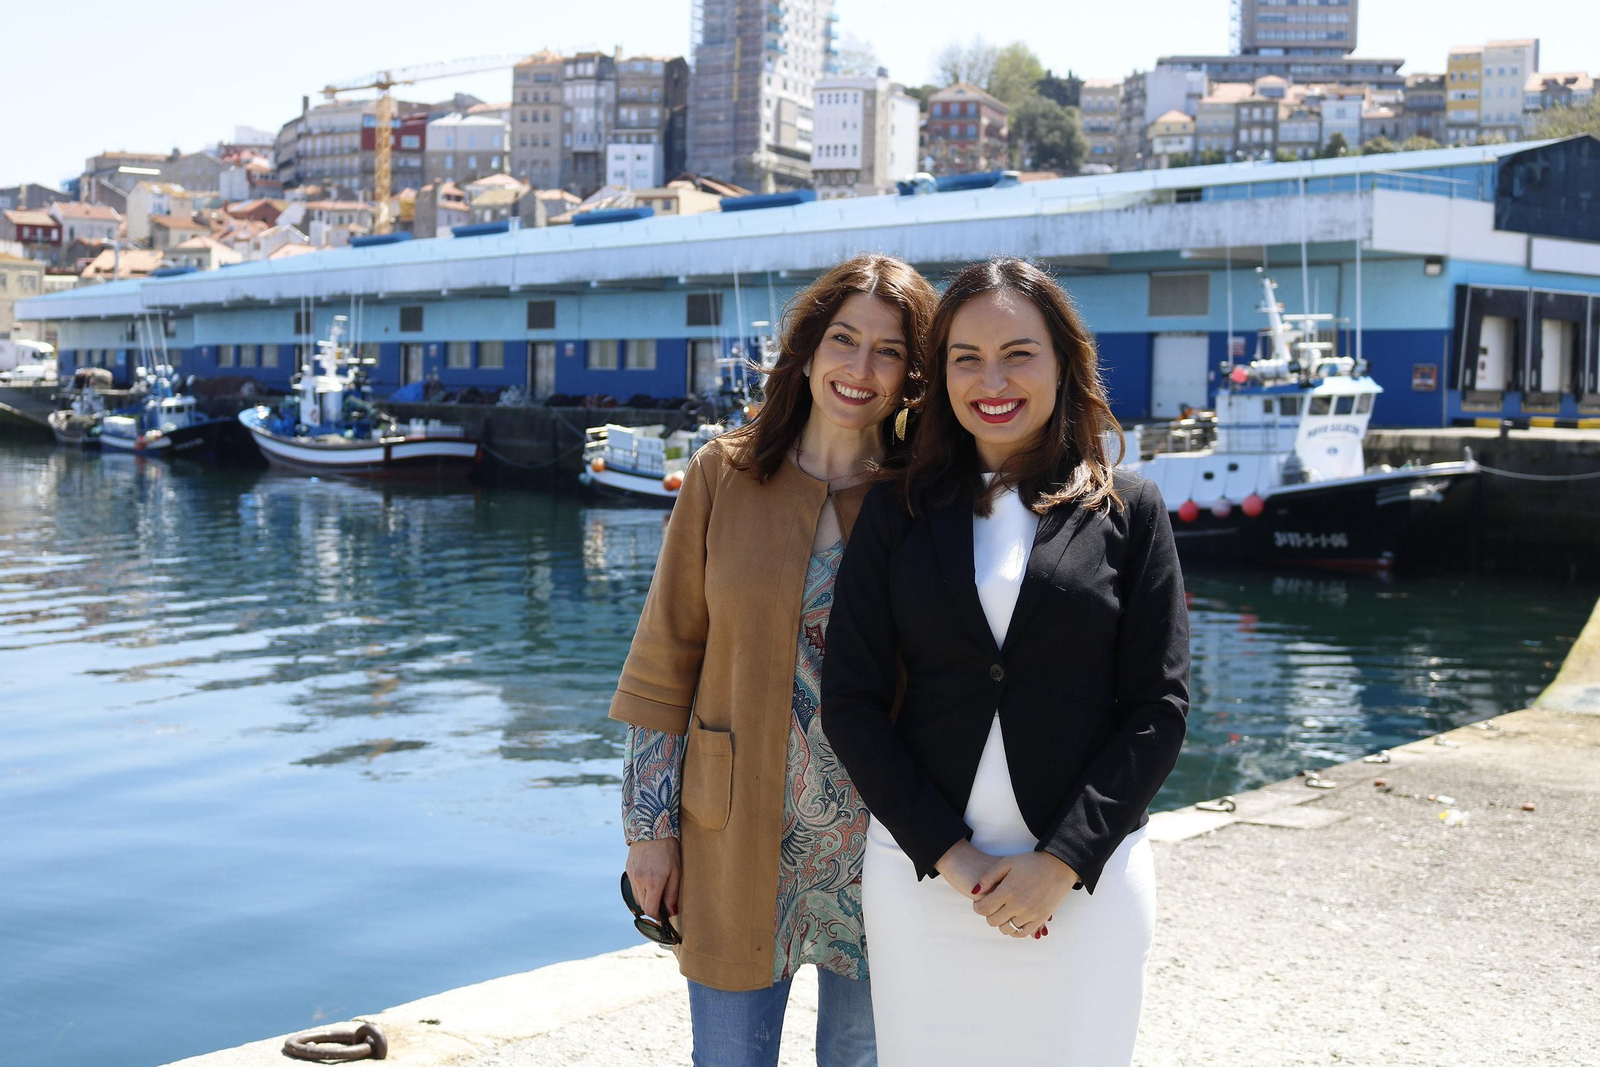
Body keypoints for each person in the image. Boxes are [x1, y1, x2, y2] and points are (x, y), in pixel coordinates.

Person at [820, 257, 1190, 1066]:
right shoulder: (895, 509)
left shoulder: (1130, 509)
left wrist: (1061, 862)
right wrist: (953, 857)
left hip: (1086, 886)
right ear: (940, 376)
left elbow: (1158, 710)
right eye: (967, 358)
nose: (992, 381)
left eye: (1018, 353)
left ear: (1064, 362)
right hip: (923, 882)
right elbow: (849, 700)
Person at [612, 253, 938, 1067]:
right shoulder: (723, 472)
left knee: (862, 1058)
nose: (859, 368)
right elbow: (664, 662)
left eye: (889, 351)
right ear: (809, 345)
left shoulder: (923, 500)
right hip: (730, 826)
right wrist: (648, 831)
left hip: (881, 839)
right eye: (844, 339)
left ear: (911, 375)